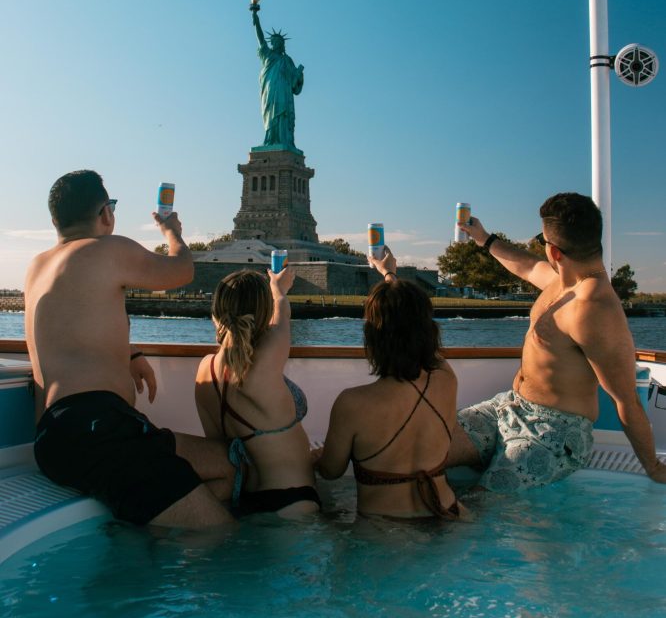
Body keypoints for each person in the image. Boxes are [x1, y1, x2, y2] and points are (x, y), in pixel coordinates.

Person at [27, 169, 235, 529]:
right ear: (106, 212)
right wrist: (173, 233)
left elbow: (71, 325)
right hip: (99, 431)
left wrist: (130, 352)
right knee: (221, 533)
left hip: (56, 437)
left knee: (228, 465)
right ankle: (151, 555)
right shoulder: (108, 247)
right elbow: (181, 270)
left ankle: (152, 535)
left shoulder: (36, 267)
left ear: (55, 220)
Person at [447, 191, 666, 490]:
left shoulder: (594, 310)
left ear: (555, 252)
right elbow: (524, 265)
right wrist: (485, 239)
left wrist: (653, 466)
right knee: (424, 448)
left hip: (552, 435)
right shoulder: (561, 279)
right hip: (509, 407)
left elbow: (626, 399)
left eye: (543, 240)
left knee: (480, 506)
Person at [314, 249, 466, 520]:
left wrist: (309, 456)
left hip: (384, 533)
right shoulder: (446, 378)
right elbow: (411, 325)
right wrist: (389, 275)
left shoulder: (353, 403)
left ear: (372, 338)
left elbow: (330, 471)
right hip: (449, 514)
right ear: (429, 331)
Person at [195, 267, 320, 517]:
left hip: (245, 503)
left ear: (216, 310)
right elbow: (282, 314)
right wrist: (278, 290)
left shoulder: (205, 370)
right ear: (261, 312)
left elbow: (220, 448)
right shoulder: (266, 359)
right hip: (293, 501)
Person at [250, 0, 304, 149]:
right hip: (271, 91)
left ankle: (284, 141)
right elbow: (260, 38)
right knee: (271, 114)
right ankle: (271, 141)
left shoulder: (287, 60)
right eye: (273, 42)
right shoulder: (268, 55)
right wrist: (255, 17)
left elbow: (295, 84)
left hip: (285, 93)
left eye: (278, 42)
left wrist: (299, 75)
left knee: (284, 116)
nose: (275, 44)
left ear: (282, 44)